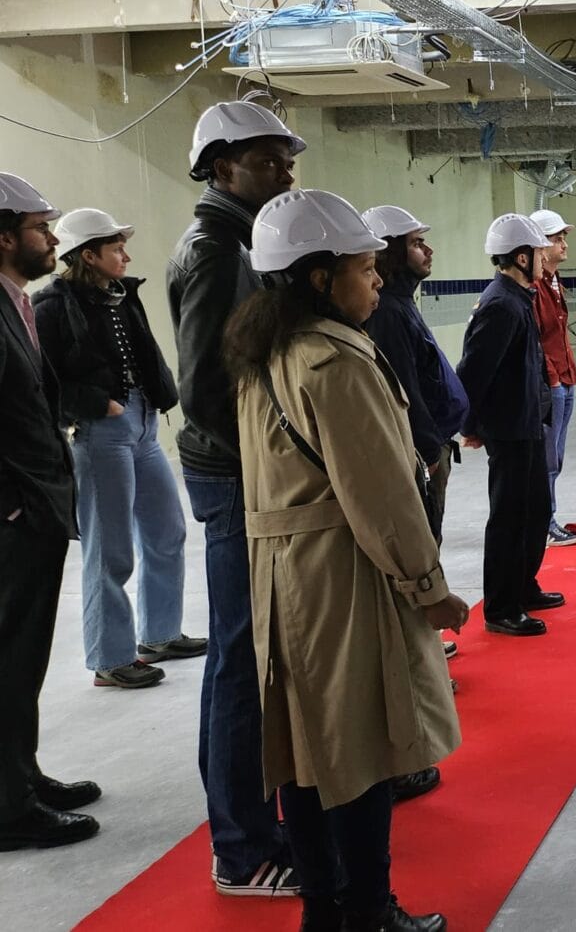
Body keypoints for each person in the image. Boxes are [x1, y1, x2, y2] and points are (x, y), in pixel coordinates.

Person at [225, 189, 462, 932]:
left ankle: (325, 902)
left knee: (302, 748)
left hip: (281, 573)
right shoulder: (334, 360)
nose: (380, 278)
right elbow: (383, 495)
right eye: (364, 267)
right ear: (319, 277)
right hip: (342, 572)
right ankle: (368, 910)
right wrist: (427, 586)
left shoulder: (265, 354)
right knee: (364, 746)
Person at [168, 99, 302, 895]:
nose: (285, 173)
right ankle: (242, 846)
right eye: (267, 160)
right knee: (238, 662)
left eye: (287, 159)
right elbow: (207, 389)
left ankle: (250, 817)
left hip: (241, 472)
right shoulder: (216, 249)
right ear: (221, 168)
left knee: (249, 657)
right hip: (232, 478)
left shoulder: (241, 239)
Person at [35, 208, 203, 690]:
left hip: (145, 425)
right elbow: (43, 379)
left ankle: (161, 634)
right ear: (89, 255)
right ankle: (110, 659)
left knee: (167, 531)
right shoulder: (51, 306)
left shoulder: (122, 295)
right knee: (110, 550)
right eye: (116, 249)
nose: (126, 256)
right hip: (102, 432)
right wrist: (94, 404)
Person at [0, 174, 101, 852]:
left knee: (25, 652)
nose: (53, 238)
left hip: (36, 500)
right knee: (8, 655)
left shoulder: (15, 301)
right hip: (15, 510)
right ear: (5, 237)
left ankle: (22, 775)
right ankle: (8, 808)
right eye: (41, 228)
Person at [458, 214, 565, 637]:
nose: (545, 258)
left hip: (527, 423)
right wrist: (470, 423)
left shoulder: (518, 296)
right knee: (508, 517)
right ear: (522, 257)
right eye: (539, 252)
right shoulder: (501, 303)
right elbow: (474, 371)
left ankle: (523, 585)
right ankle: (501, 607)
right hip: (509, 428)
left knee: (535, 509)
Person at [361, 205, 468, 543]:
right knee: (421, 542)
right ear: (390, 250)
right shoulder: (388, 312)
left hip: (434, 445)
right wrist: (427, 451)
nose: (428, 250)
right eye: (417, 243)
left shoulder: (401, 303)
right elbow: (403, 389)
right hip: (423, 454)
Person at [530, 209, 576, 547]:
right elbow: (536, 339)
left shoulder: (553, 283)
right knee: (547, 459)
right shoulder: (534, 288)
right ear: (539, 245)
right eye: (556, 238)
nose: (564, 244)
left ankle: (546, 517)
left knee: (556, 457)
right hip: (552, 382)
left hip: (565, 377)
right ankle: (544, 522)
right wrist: (552, 379)